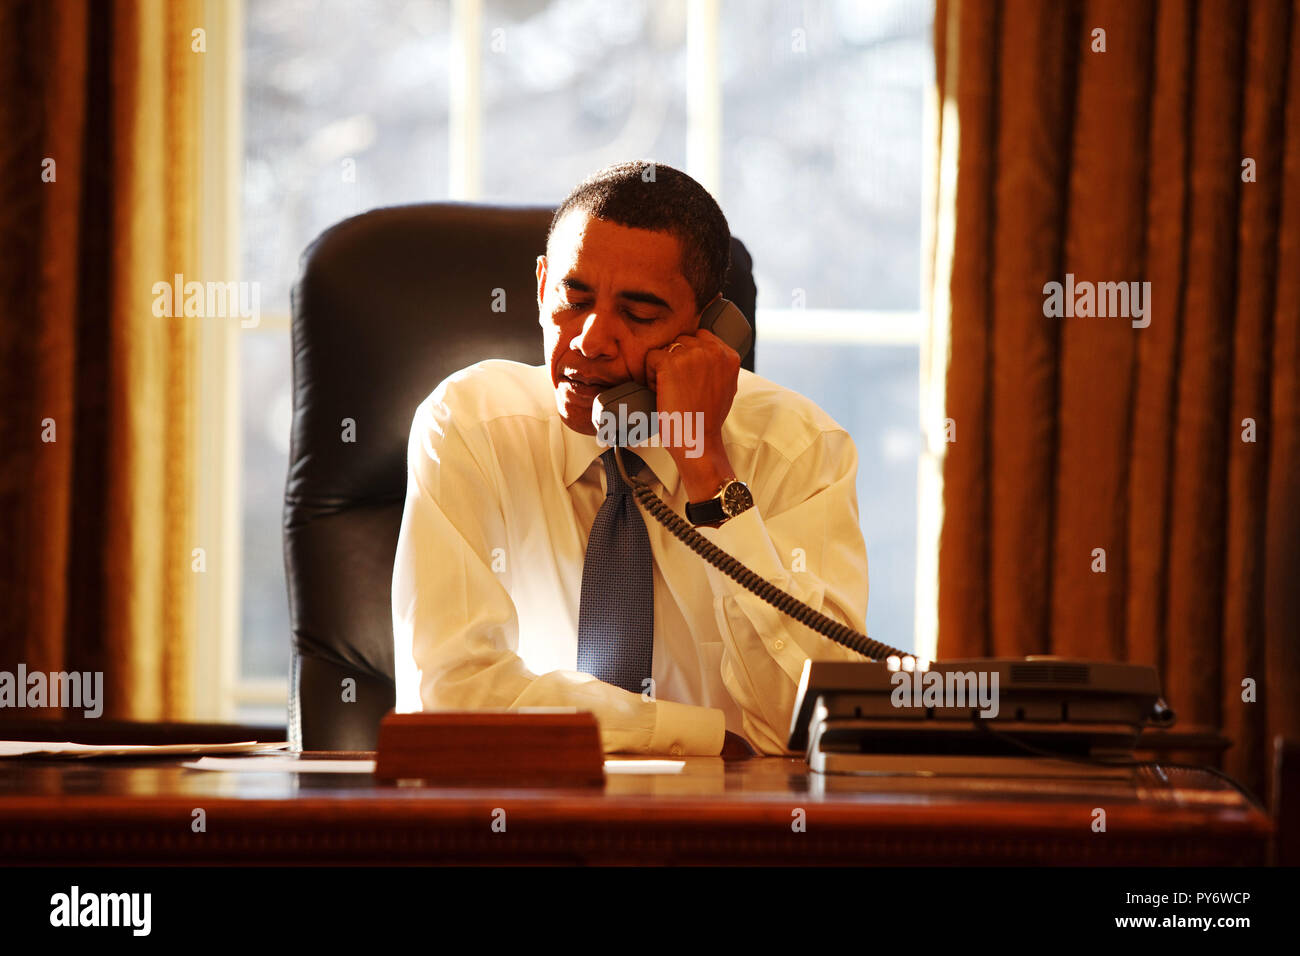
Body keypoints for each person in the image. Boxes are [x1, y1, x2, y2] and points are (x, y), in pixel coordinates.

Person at [392, 161, 869, 756]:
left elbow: (809, 721)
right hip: (525, 822)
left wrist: (706, 467)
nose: (590, 339)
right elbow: (451, 696)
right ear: (542, 288)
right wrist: (696, 738)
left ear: (708, 330)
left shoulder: (798, 449)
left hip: (743, 833)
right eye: (573, 297)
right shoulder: (469, 426)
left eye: (638, 314)